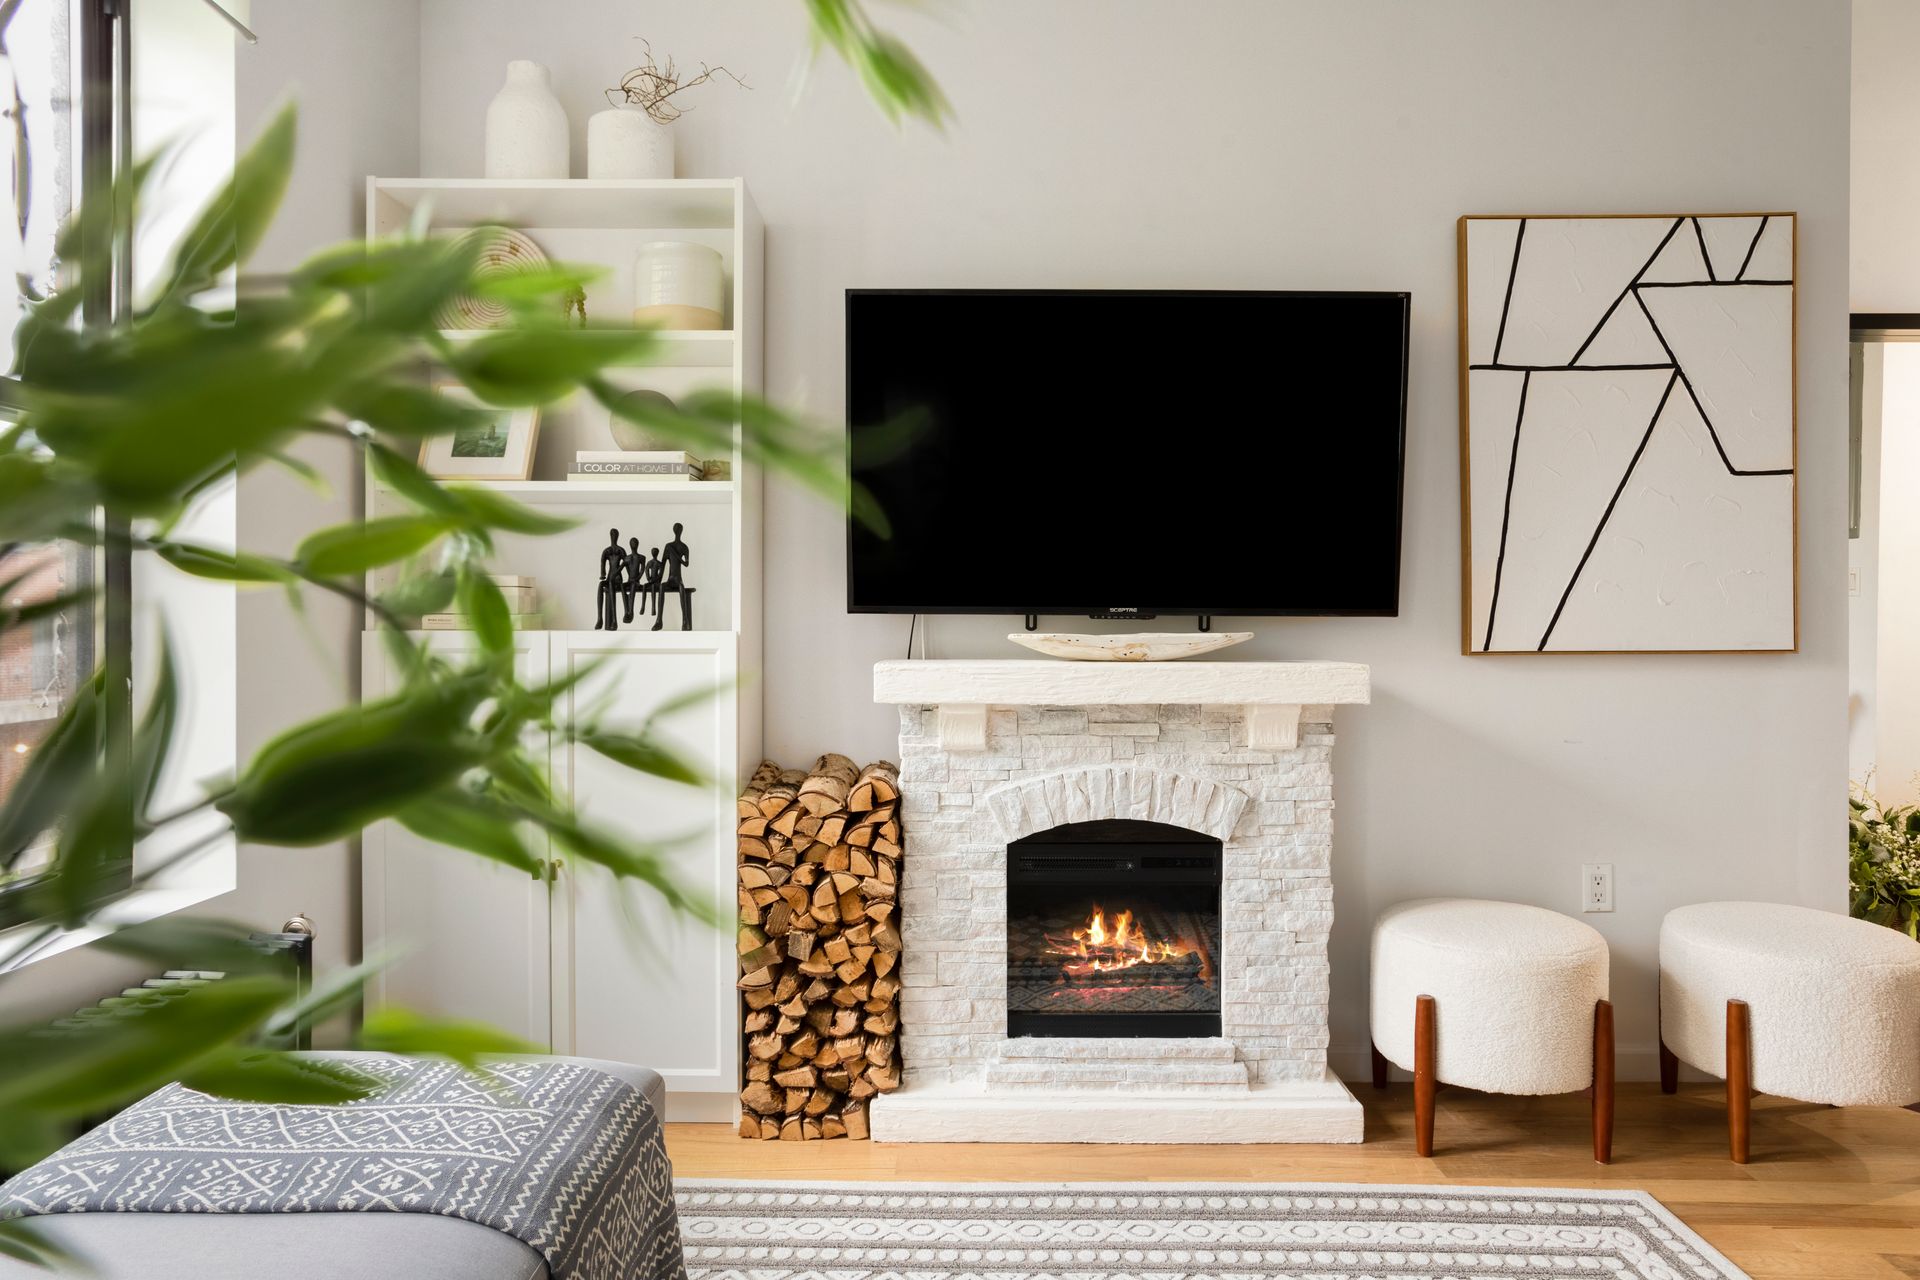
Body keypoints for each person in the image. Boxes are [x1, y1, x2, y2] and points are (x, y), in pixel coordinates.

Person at [654, 522, 692, 631]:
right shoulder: (668, 546)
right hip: (670, 579)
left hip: (678, 579)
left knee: (681, 588)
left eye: (678, 529)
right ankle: (659, 620)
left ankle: (685, 621)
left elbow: (686, 564)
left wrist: (675, 555)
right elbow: (663, 564)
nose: (677, 531)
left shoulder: (684, 547)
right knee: (661, 586)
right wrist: (657, 580)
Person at [594, 527, 625, 630]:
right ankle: (600, 618)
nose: (613, 537)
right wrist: (602, 573)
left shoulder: (620, 550)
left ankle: (614, 620)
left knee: (611, 585)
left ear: (617, 536)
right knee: (601, 585)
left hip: (617, 578)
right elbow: (602, 563)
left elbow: (626, 563)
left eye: (615, 535)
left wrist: (630, 576)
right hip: (609, 577)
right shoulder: (606, 551)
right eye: (612, 535)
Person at [621, 537, 644, 623]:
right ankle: (626, 610)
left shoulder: (641, 557)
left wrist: (637, 578)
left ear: (637, 545)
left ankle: (631, 612)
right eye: (632, 543)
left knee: (633, 586)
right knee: (622, 585)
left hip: (636, 582)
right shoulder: (627, 558)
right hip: (630, 580)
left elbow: (642, 570)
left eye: (635, 543)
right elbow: (624, 568)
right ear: (630, 545)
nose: (633, 545)